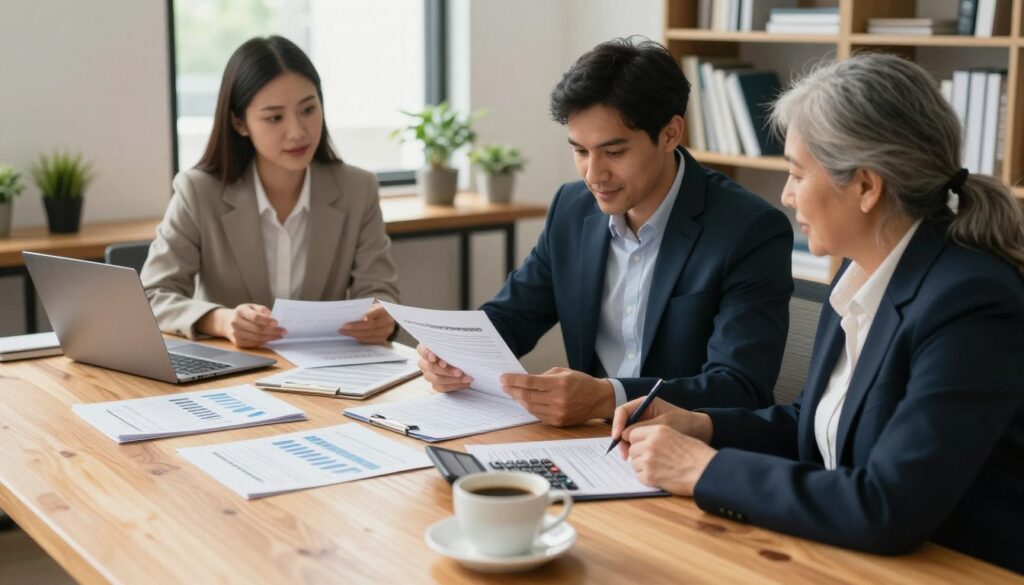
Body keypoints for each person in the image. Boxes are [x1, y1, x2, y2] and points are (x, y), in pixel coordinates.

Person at [610, 53, 1024, 573]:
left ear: (867, 187)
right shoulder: (859, 275)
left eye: (797, 173)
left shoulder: (971, 305)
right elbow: (814, 423)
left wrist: (704, 470)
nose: (785, 195)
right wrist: (700, 426)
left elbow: (888, 504)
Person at [418, 37, 794, 426]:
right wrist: (455, 354)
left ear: (670, 134)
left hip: (682, 449)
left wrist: (607, 397)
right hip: (586, 441)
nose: (593, 175)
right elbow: (513, 316)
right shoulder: (571, 208)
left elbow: (740, 386)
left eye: (614, 153)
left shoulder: (749, 231)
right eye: (580, 151)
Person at [141, 36, 398, 348]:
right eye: (275, 117)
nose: (298, 131)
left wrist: (382, 316)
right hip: (232, 373)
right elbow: (152, 295)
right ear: (239, 122)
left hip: (327, 376)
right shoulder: (198, 191)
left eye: (308, 109)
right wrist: (221, 320)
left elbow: (380, 292)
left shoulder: (358, 189)